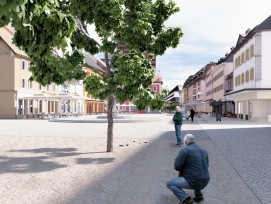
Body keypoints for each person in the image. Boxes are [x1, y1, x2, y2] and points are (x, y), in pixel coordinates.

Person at [167, 134, 210, 204]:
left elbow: (177, 166)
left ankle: (186, 199)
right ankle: (199, 196)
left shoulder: (185, 150)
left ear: (185, 142)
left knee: (170, 183)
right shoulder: (204, 151)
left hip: (193, 180)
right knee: (197, 173)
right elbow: (206, 166)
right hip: (205, 180)